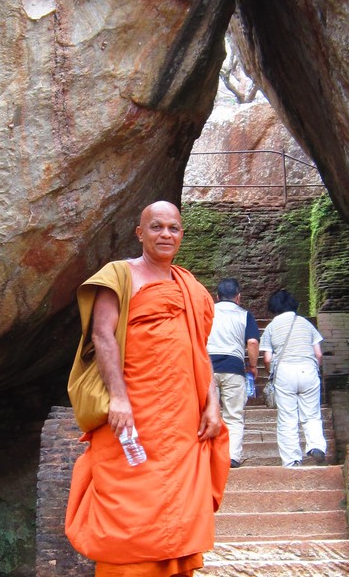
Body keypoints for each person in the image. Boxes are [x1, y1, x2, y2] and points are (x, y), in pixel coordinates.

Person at [65, 201, 229, 577]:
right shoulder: (120, 275)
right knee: (129, 506)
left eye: (173, 228)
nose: (165, 235)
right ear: (140, 233)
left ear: (182, 235)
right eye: (156, 227)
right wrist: (118, 399)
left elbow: (198, 350)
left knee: (180, 506)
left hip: (184, 420)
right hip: (134, 413)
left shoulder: (191, 288)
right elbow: (102, 335)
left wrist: (212, 403)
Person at [260, 289, 327, 467]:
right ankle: (316, 446)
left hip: (284, 372)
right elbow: (318, 354)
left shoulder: (271, 327)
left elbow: (267, 358)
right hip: (308, 370)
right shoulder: (306, 324)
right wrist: (315, 369)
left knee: (287, 417)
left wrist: (270, 374)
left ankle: (292, 460)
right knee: (312, 414)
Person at [206, 278, 260, 468]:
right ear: (238, 297)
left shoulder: (207, 311)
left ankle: (207, 456)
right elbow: (252, 342)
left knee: (206, 412)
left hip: (207, 367)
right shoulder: (245, 315)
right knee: (234, 415)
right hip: (234, 368)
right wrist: (253, 367)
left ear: (217, 296)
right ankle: (232, 456)